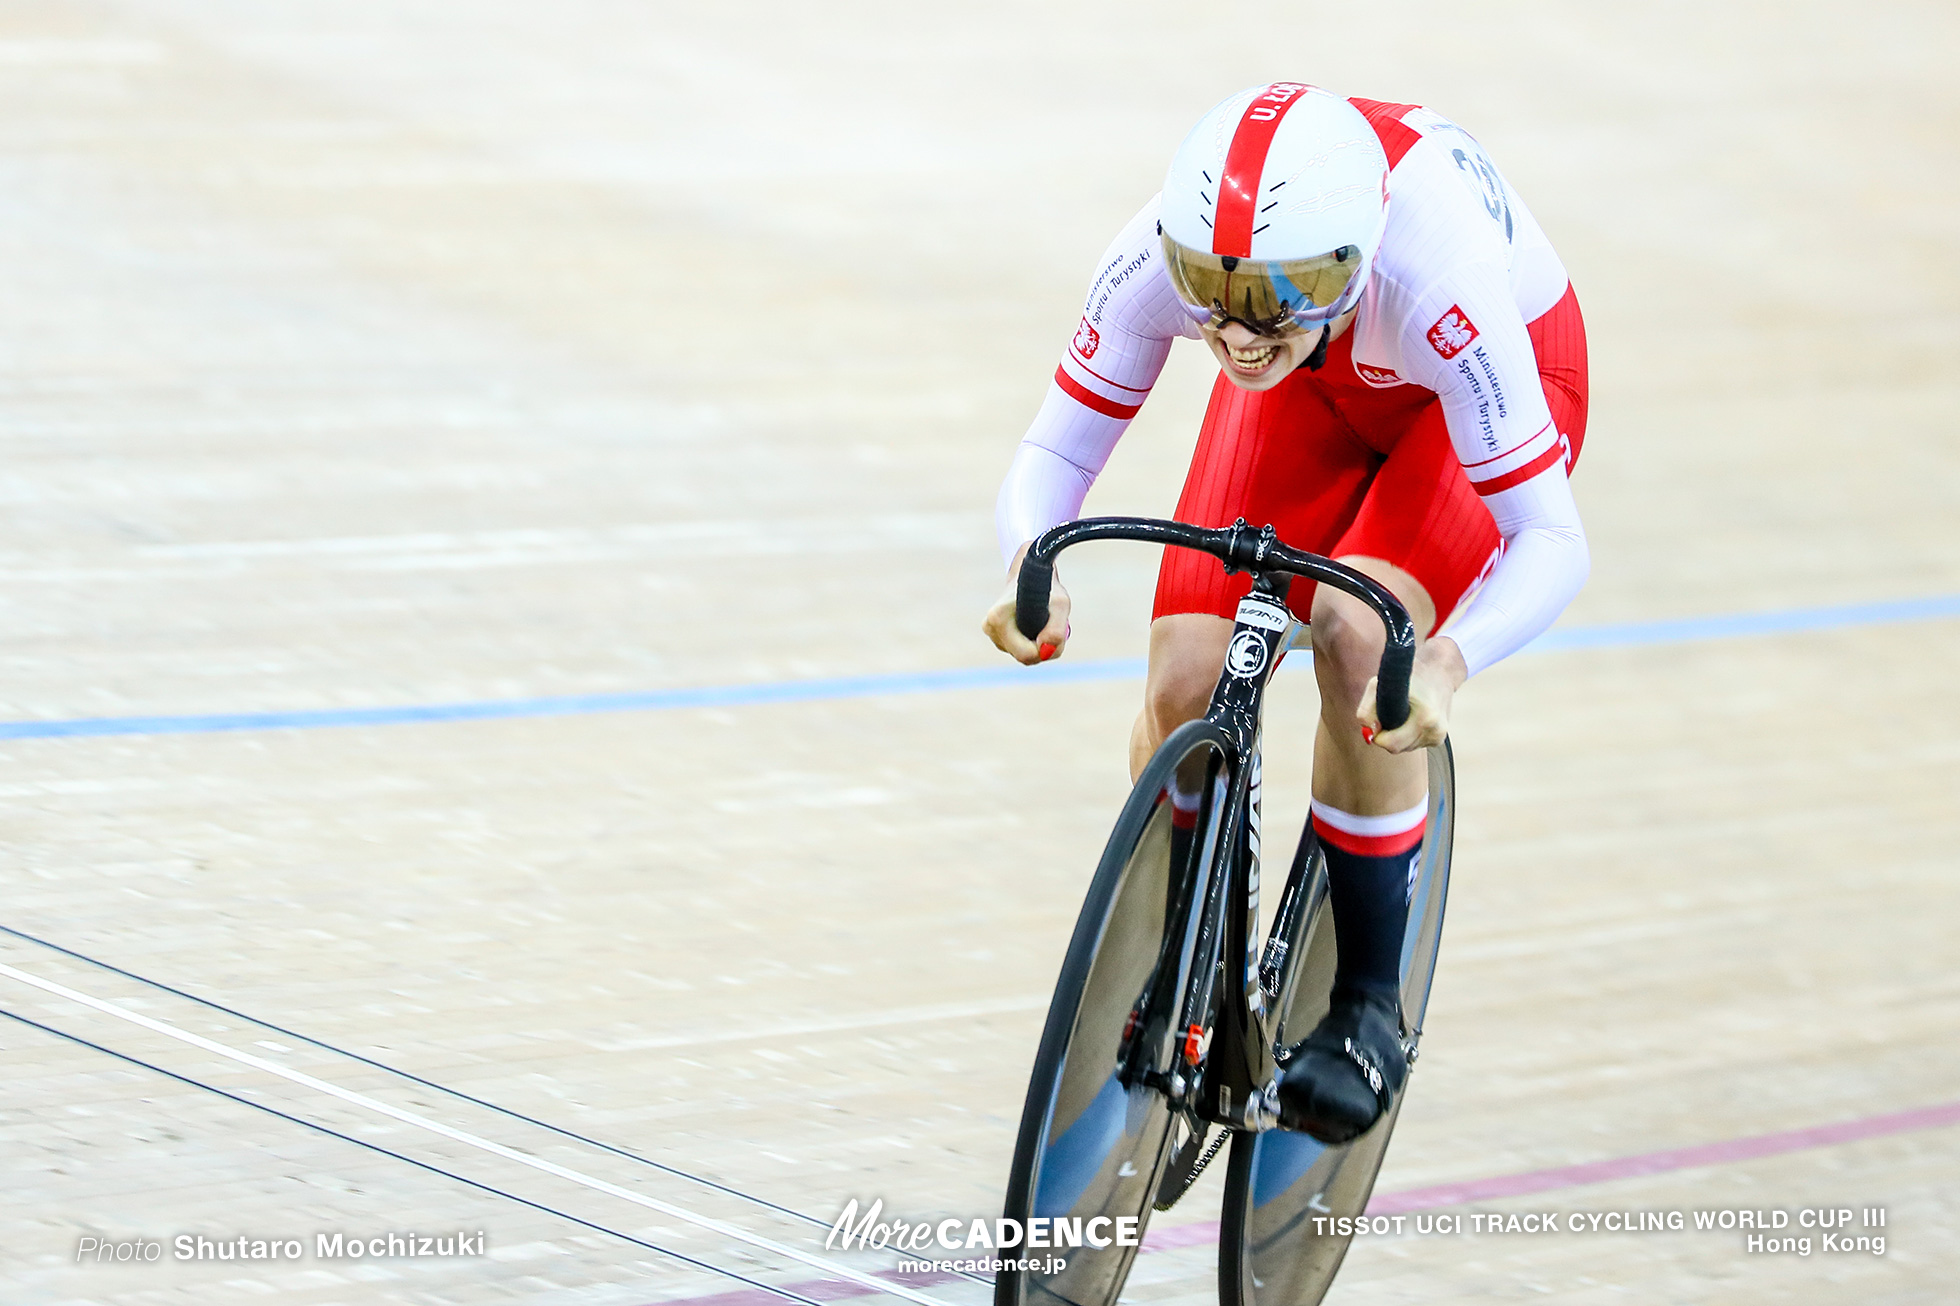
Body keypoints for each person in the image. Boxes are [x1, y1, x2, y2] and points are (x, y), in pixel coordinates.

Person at [981, 83, 1590, 1143]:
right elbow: (1056, 449)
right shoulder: (1191, 265)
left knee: (1363, 638)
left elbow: (1553, 540)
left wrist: (1444, 661)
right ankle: (1177, 957)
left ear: (1349, 262)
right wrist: (1033, 566)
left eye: (1275, 294)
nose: (1237, 332)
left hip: (1475, 389)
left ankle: (1363, 1005)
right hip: (1323, 379)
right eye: (1208, 291)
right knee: (1181, 681)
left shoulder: (1436, 282)